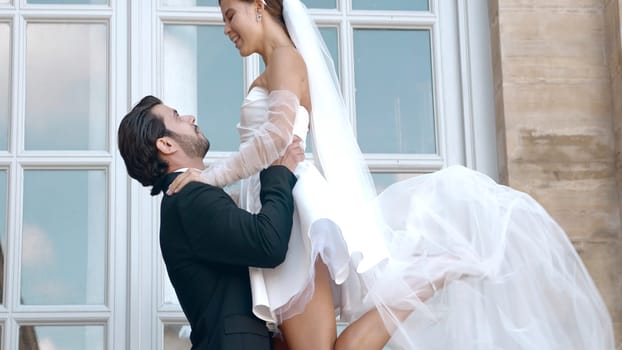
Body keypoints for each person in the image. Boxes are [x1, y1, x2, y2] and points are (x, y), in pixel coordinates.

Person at [167, 0, 616, 349]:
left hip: (292, 215)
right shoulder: (275, 65)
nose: (226, 28)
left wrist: (209, 178)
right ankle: (425, 276)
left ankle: (428, 274)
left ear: (260, 5)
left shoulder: (285, 59)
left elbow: (276, 138)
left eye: (230, 14)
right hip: (277, 206)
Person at [117, 95, 305, 349]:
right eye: (176, 116)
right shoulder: (189, 197)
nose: (190, 118)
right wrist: (279, 172)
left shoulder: (189, 195)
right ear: (166, 144)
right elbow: (268, 243)